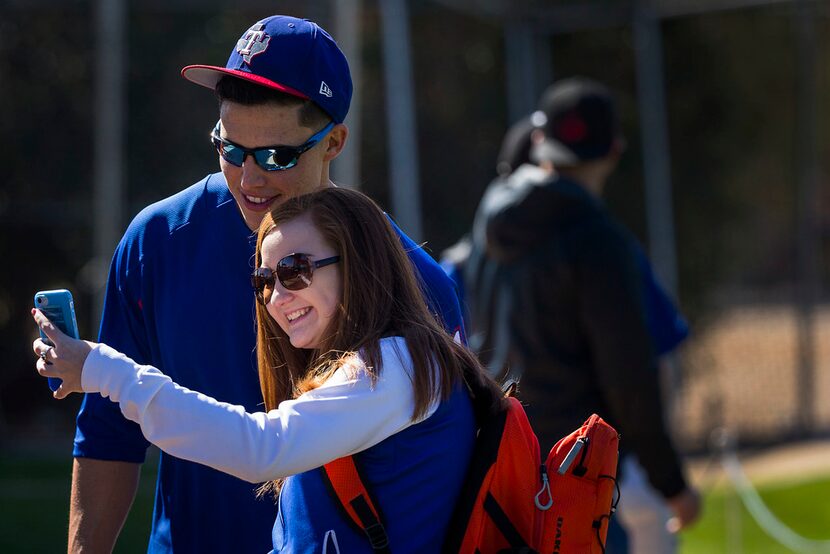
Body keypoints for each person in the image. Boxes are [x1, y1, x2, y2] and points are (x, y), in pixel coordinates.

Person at [67, 15, 465, 553]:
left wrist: (103, 369)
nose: (250, 178)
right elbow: (108, 435)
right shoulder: (158, 240)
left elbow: (268, 449)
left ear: (335, 142)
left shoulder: (418, 286)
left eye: (277, 156)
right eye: (230, 149)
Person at [34, 187, 503, 552]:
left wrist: (102, 369)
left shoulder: (399, 365)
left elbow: (259, 449)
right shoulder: (388, 360)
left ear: (357, 264)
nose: (277, 299)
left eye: (296, 270)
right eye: (264, 279)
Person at [464, 77, 701, 549]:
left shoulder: (487, 222)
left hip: (499, 460)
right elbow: (629, 375)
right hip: (581, 472)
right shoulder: (601, 240)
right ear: (613, 150)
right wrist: (671, 482)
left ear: (539, 141)